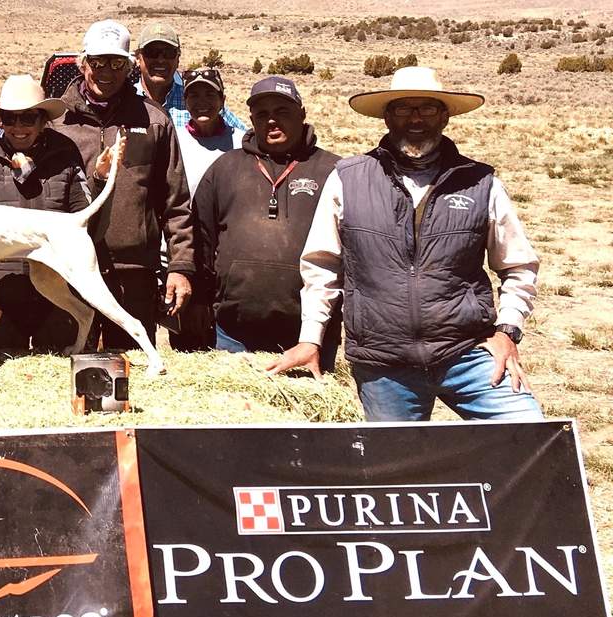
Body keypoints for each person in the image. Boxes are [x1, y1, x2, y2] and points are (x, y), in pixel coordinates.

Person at [267, 67, 543, 422]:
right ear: (386, 116)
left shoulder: (480, 183)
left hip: (468, 354)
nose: (416, 119)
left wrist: (507, 331)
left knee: (529, 433)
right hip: (384, 364)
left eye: (427, 108)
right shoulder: (349, 179)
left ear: (444, 116)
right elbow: (321, 267)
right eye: (403, 109)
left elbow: (519, 266)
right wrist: (311, 339)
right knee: (395, 469)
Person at [54, 19, 195, 350]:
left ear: (130, 66)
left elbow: (176, 202)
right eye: (98, 62)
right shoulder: (58, 123)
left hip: (133, 274)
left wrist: (180, 266)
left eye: (117, 63)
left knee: (130, 373)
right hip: (70, 270)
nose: (106, 71)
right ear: (82, 63)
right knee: (67, 368)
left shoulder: (154, 121)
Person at [192, 76, 342, 366]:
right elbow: (201, 238)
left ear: (302, 113)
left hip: (310, 335)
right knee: (237, 411)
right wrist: (199, 296)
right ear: (251, 119)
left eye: (282, 111)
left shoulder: (334, 171)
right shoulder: (225, 168)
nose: (271, 121)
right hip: (233, 332)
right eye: (262, 114)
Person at [0, 74, 109, 351]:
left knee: (58, 384)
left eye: (28, 118)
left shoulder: (65, 156)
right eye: (9, 119)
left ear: (43, 120)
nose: (18, 127)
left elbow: (84, 217)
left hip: (57, 302)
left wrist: (100, 180)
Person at [169, 66, 245, 351]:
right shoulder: (174, 139)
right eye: (194, 95)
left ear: (222, 99)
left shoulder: (241, 142)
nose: (202, 102)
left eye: (209, 94)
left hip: (229, 255)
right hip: (187, 251)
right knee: (188, 335)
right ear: (184, 102)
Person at [132, 22, 247, 133]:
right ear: (138, 58)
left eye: (169, 53)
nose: (161, 60)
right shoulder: (126, 99)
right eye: (152, 52)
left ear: (178, 59)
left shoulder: (196, 98)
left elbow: (246, 136)